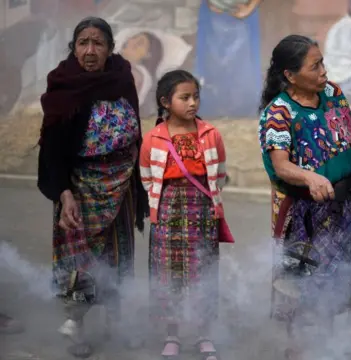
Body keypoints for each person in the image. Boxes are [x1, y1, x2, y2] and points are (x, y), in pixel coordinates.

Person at [36, 16, 148, 358]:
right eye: (83, 42)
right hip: (79, 190)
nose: (89, 50)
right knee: (79, 260)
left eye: (97, 43)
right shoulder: (64, 86)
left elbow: (137, 133)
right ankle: (76, 327)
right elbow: (52, 148)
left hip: (122, 186)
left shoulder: (121, 77)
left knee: (120, 258)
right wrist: (63, 193)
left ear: (110, 49)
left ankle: (117, 322)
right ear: (73, 48)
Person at [258, 34, 351, 359]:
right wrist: (309, 176)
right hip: (304, 213)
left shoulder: (333, 93)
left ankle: (329, 345)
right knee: (301, 281)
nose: (324, 70)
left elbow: (346, 144)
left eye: (322, 62)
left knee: (341, 276)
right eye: (315, 65)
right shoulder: (278, 113)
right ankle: (298, 349)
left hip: (345, 203)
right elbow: (280, 165)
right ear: (290, 76)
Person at [139, 70, 233, 360]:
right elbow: (145, 177)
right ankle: (172, 334)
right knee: (170, 275)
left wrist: (207, 198)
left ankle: (204, 333)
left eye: (196, 96)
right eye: (185, 97)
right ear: (166, 102)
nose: (193, 103)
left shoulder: (210, 134)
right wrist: (165, 200)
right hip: (167, 214)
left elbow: (220, 174)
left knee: (202, 271)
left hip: (202, 212)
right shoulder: (153, 138)